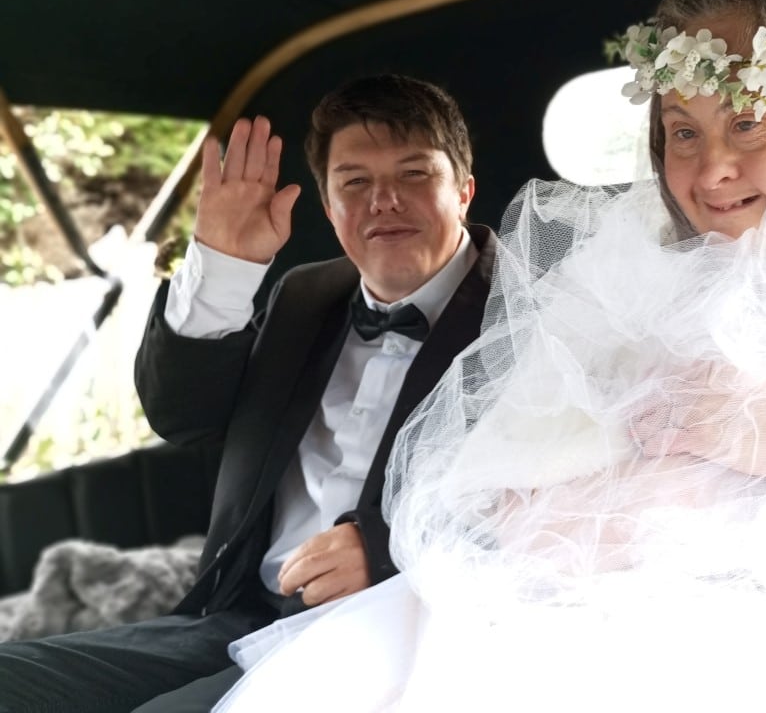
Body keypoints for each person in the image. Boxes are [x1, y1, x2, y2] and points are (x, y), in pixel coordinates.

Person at [214, 0, 766, 711]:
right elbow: (497, 500)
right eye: (683, 132)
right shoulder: (626, 282)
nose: (709, 171)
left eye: (747, 124)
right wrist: (599, 504)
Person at [0, 73, 496, 712]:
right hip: (238, 616)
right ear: (326, 201)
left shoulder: (524, 312)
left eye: (413, 174)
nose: (384, 201)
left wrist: (388, 551)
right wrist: (224, 267)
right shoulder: (304, 295)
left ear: (464, 188)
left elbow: (568, 501)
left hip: (397, 634)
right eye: (354, 182)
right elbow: (180, 416)